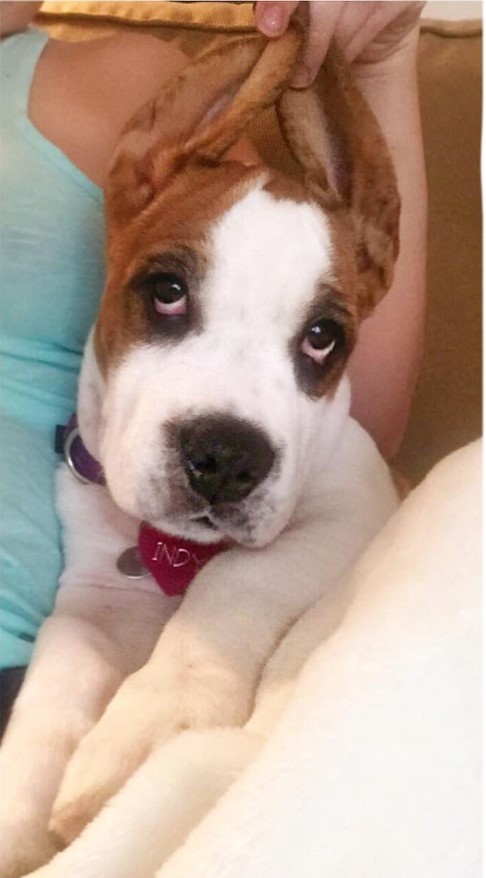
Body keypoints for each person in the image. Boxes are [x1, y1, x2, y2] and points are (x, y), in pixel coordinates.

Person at [0, 1, 426, 728]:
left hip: (54, 651)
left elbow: (353, 414)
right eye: (169, 293)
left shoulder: (101, 82)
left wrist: (383, 61)